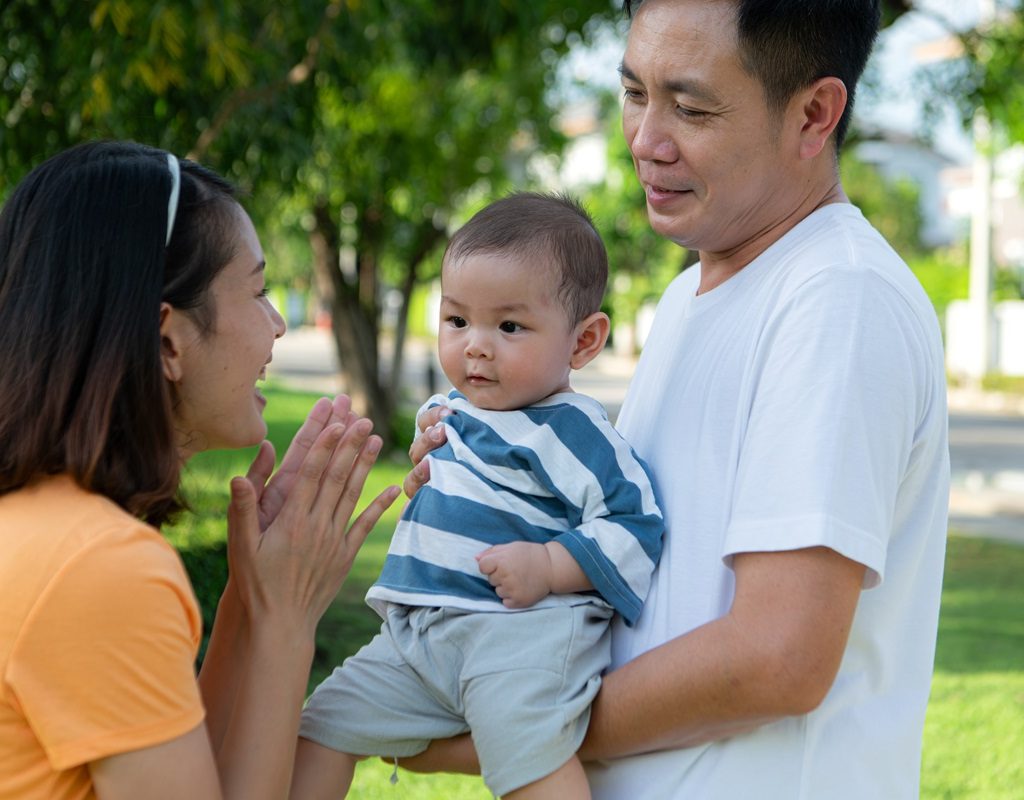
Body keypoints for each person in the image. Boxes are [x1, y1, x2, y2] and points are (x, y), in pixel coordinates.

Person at [403, 2, 951, 798]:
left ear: (814, 114)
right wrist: (489, 473)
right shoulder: (691, 293)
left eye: (691, 108)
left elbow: (777, 659)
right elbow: (634, 557)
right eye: (635, 93)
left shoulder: (839, 300)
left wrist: (499, 731)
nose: (645, 141)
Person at [0, 140, 400, 800]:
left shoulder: (49, 528)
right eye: (259, 290)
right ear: (167, 342)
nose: (276, 325)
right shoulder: (101, 568)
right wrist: (287, 621)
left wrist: (250, 599)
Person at [290, 193, 664, 799]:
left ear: (584, 342)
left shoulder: (573, 431)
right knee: (322, 725)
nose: (476, 346)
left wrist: (550, 563)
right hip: (419, 637)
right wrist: (424, 470)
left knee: (529, 759)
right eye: (457, 321)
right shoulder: (449, 412)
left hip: (519, 637)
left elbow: (637, 523)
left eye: (509, 326)